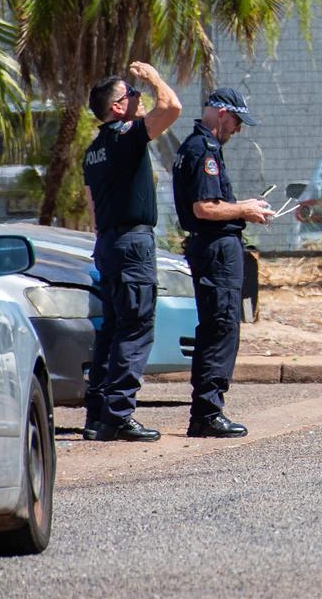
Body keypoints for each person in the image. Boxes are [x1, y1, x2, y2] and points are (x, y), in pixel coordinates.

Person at [82, 63, 182, 442]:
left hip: (108, 242)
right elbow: (172, 108)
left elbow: (93, 206)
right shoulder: (126, 137)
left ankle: (98, 415)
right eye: (133, 95)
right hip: (131, 244)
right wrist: (155, 78)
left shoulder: (94, 151)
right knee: (136, 327)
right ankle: (119, 414)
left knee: (112, 328)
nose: (140, 100)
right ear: (118, 108)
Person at [172, 88, 274, 438]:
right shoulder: (203, 150)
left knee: (219, 326)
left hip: (214, 248)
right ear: (219, 112)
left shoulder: (198, 147)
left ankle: (207, 410)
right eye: (235, 121)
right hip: (215, 249)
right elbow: (205, 208)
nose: (238, 130)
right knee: (220, 327)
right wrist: (244, 209)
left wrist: (245, 207)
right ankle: (207, 412)